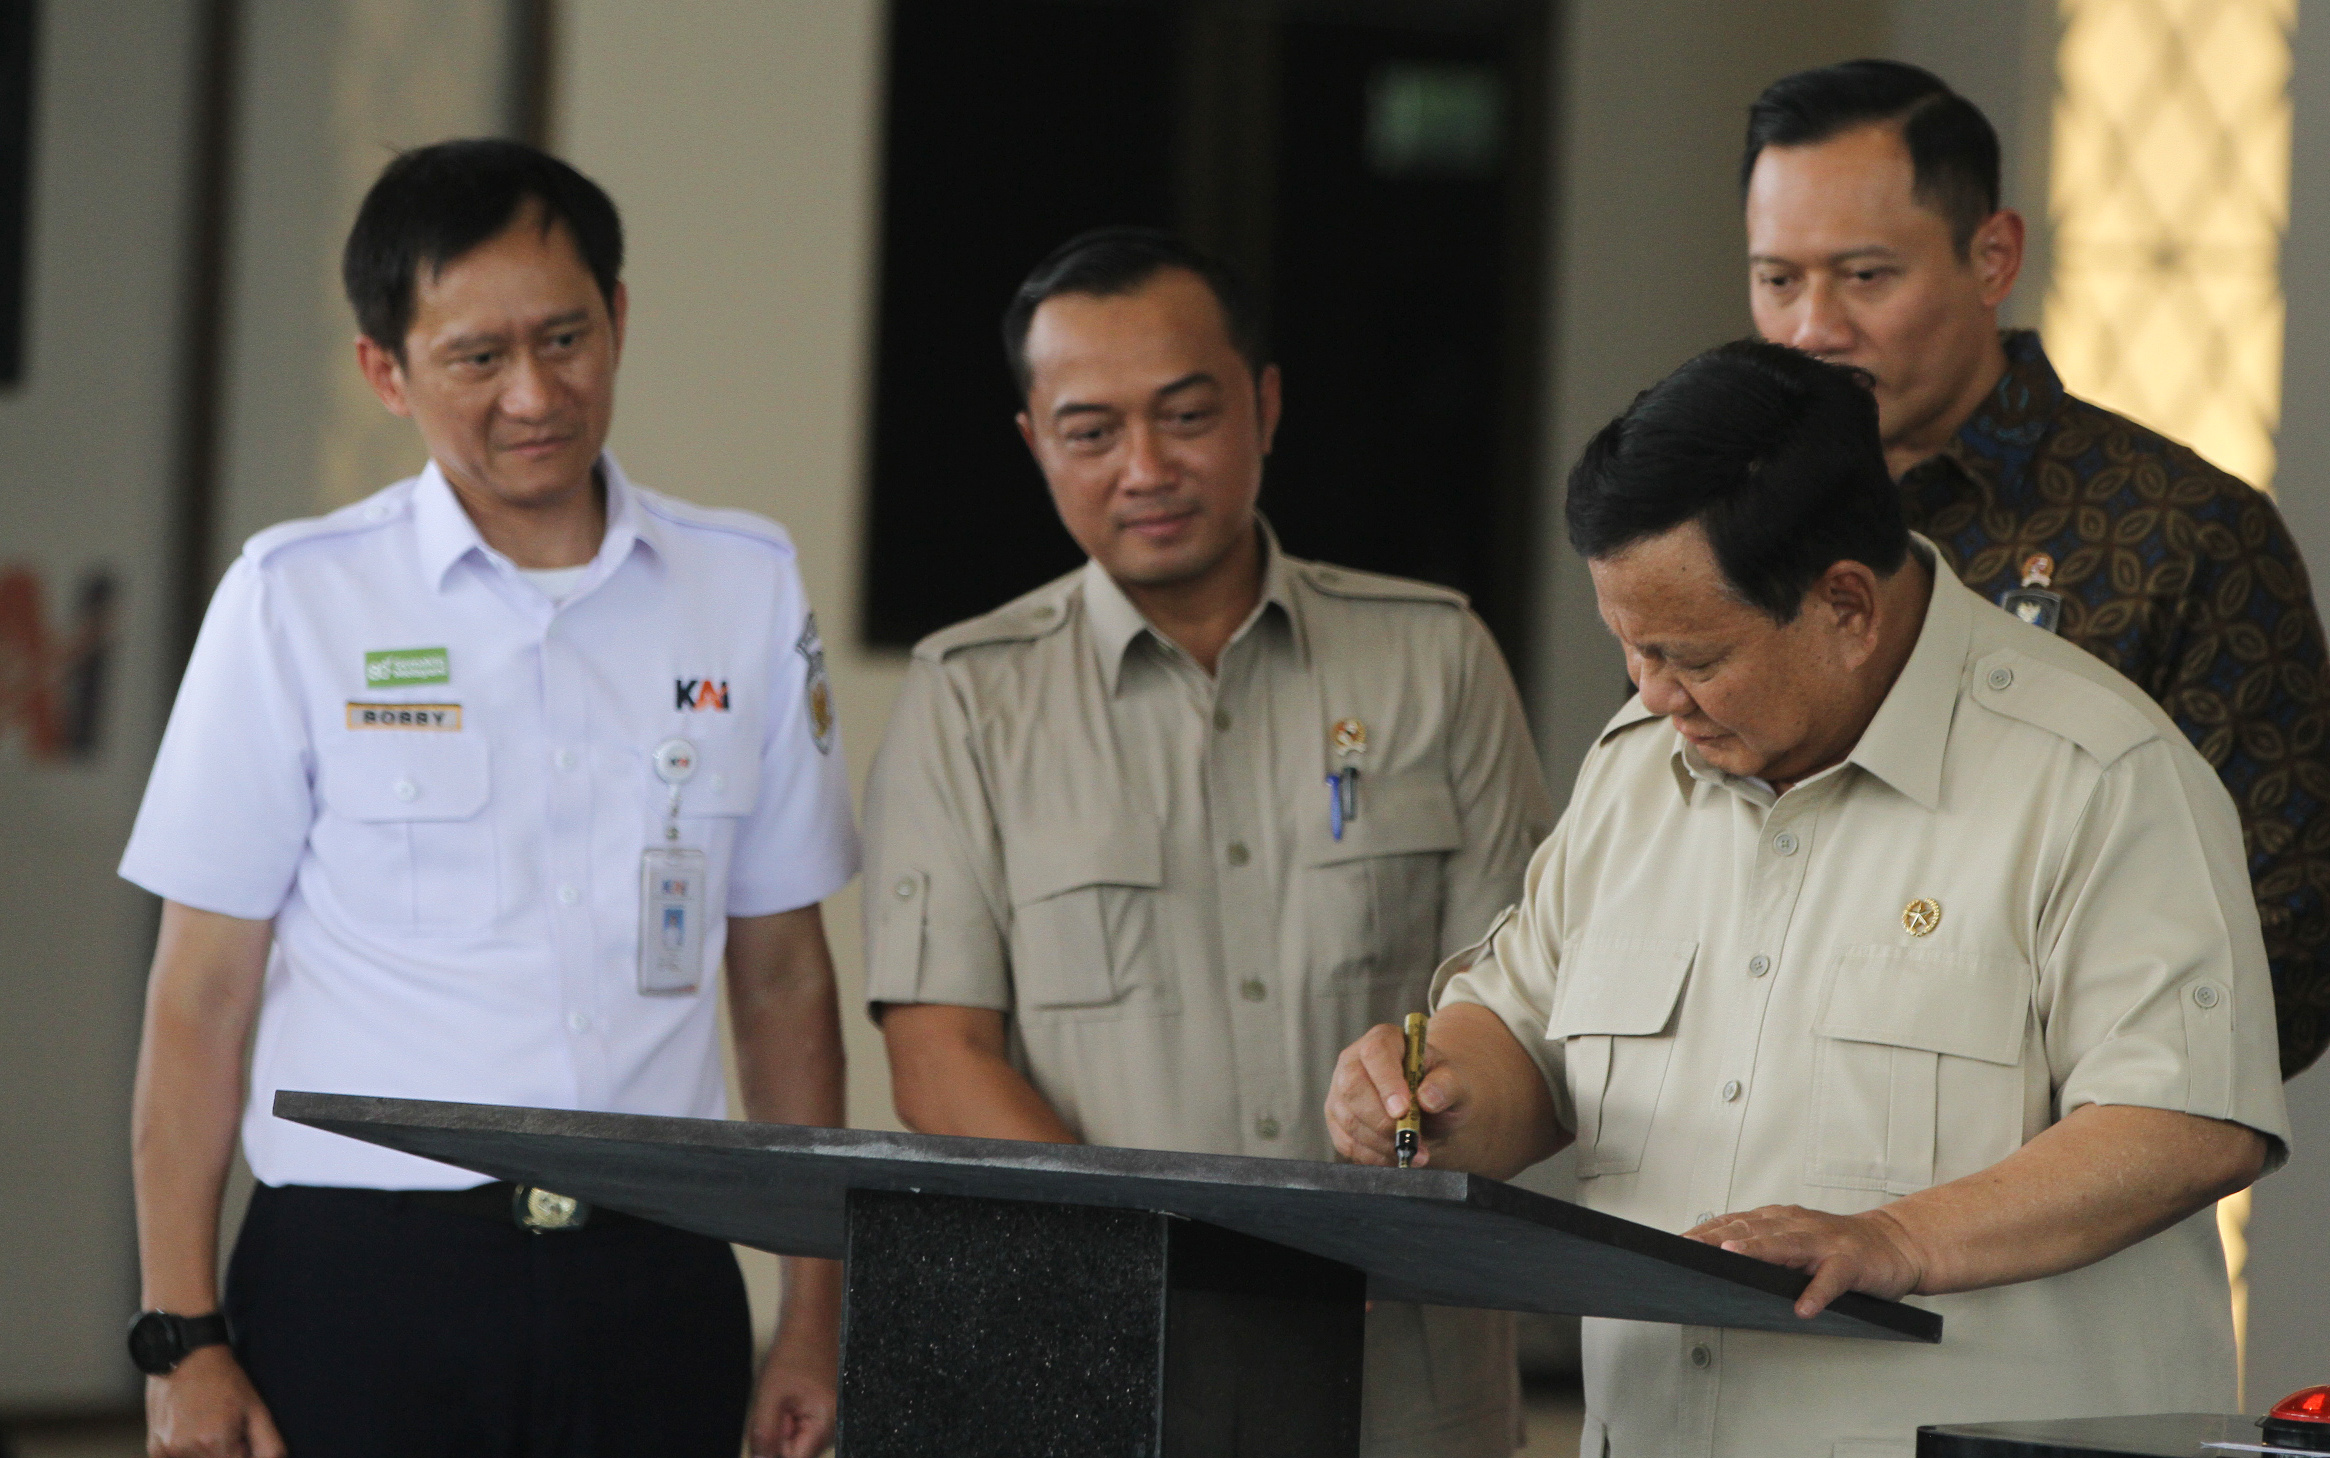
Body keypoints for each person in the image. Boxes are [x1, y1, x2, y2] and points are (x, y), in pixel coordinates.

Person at [1327, 341, 2291, 1456]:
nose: (1653, 693)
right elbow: (1525, 1036)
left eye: (1690, 654)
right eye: (1629, 651)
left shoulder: (2095, 776)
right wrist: (1433, 1095)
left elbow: (2187, 1124)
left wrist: (1898, 1239)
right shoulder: (1641, 766)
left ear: (1846, 605)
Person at [120, 141, 853, 1458]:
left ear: (618, 318)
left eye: (565, 337)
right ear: (384, 372)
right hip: (363, 1279)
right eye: (476, 356)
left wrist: (812, 1311)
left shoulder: (742, 587)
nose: (535, 392)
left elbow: (785, 981)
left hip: (655, 1273)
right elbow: (201, 994)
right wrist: (183, 1334)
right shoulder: (297, 600)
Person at [863, 227, 1553, 1458]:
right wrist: (1150, 1271)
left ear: (1266, 405)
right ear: (1034, 441)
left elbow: (1526, 1001)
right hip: (1093, 1355)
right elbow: (941, 1057)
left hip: (1397, 1354)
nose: (1145, 467)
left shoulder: (1433, 660)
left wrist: (1412, 1162)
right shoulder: (969, 698)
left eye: (1186, 415)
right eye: (1091, 431)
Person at [1743, 59, 2330, 1078]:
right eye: (1777, 280)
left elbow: (2284, 949)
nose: (1812, 329)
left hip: (2042, 1175)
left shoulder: (2181, 531)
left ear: (1992, 257)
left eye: (1864, 276)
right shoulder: (1737, 524)